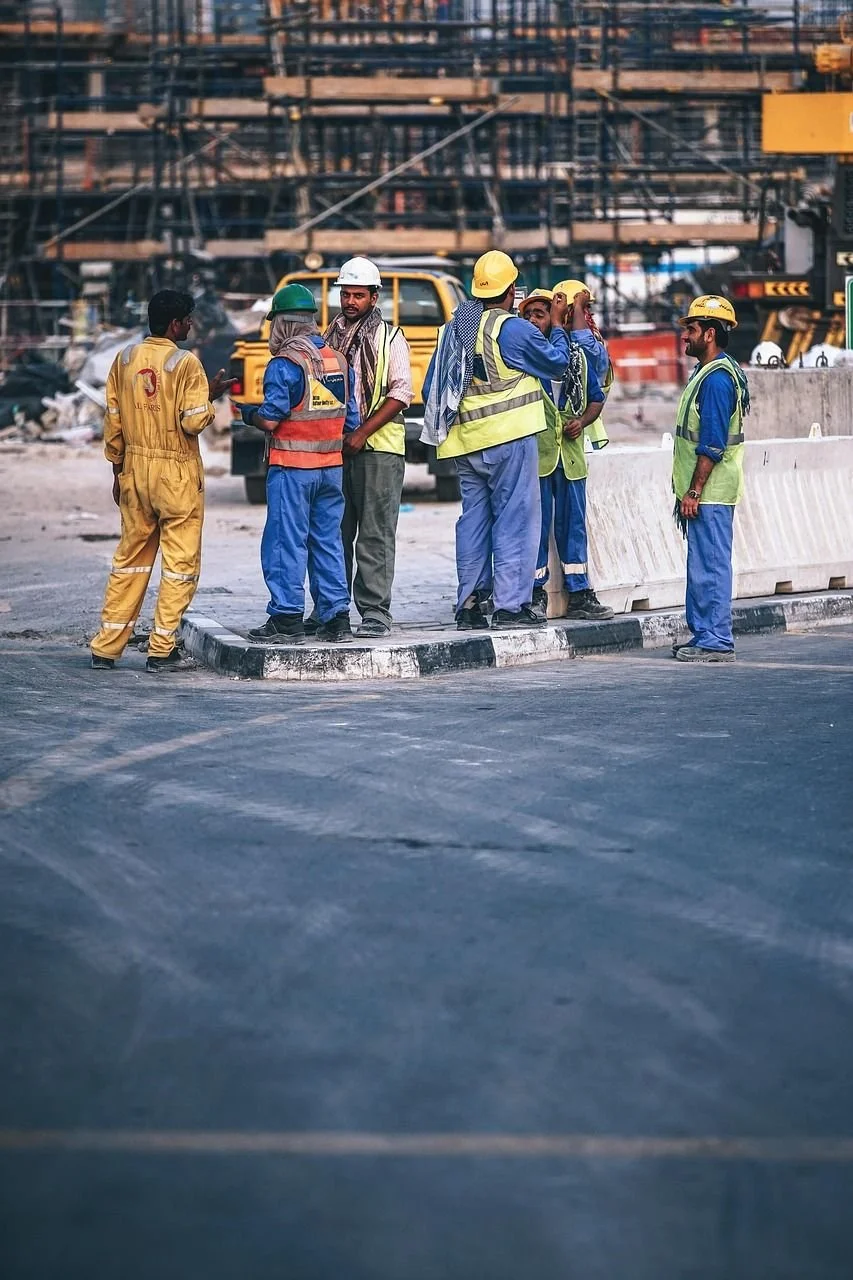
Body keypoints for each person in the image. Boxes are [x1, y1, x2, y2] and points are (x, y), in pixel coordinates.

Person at [422, 250, 569, 630]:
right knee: (515, 520)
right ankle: (509, 606)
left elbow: (432, 386)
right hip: (509, 439)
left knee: (473, 522)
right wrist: (558, 325)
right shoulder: (513, 329)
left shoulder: (456, 327)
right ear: (512, 292)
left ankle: (470, 604)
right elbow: (556, 364)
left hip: (465, 443)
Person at [90, 289, 233, 673]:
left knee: (130, 561)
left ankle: (106, 647)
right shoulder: (186, 363)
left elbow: (114, 420)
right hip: (175, 474)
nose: (190, 325)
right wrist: (210, 396)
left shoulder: (124, 359)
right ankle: (161, 649)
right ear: (174, 324)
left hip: (135, 470)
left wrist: (118, 470)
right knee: (179, 565)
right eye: (187, 319)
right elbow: (191, 421)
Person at [241, 283, 360, 644]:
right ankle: (336, 617)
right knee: (327, 541)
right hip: (331, 468)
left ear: (282, 324)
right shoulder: (337, 360)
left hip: (293, 468)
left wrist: (248, 415)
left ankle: (287, 617)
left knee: (285, 541)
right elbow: (351, 420)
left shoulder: (285, 363)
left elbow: (272, 419)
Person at [323, 257, 413, 638]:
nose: (350, 301)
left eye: (358, 295)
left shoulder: (390, 339)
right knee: (334, 534)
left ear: (374, 298)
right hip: (335, 448)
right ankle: (333, 610)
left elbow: (401, 393)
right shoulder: (327, 340)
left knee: (375, 534)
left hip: (378, 449)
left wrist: (361, 433)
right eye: (346, 294)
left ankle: (375, 612)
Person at [518, 290, 612, 622]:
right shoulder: (525, 362)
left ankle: (580, 593)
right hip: (538, 458)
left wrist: (582, 421)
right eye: (529, 315)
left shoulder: (578, 360)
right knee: (536, 527)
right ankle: (533, 593)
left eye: (541, 315)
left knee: (573, 526)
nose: (533, 321)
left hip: (570, 460)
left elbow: (597, 399)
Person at [673, 295, 749, 663]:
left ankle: (716, 639)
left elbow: (713, 442)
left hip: (711, 491)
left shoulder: (717, 380)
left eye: (691, 329)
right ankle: (704, 634)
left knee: (712, 565)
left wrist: (694, 489)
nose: (685, 335)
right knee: (702, 565)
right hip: (709, 491)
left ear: (710, 333)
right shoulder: (711, 373)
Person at [552, 279, 613, 451]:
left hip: (585, 436)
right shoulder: (555, 346)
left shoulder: (596, 349)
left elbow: (584, 345)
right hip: (559, 439)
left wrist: (577, 307)